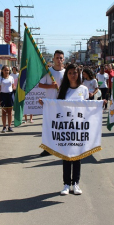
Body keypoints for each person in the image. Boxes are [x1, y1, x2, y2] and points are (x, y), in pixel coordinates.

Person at [56, 64, 89, 195]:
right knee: (66, 156)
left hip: (79, 128)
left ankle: (76, 183)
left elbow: (89, 106)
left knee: (76, 156)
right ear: (67, 75)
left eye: (74, 72)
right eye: (69, 73)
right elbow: (56, 106)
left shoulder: (84, 89)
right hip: (66, 127)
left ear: (78, 74)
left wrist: (100, 103)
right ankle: (66, 184)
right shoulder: (63, 90)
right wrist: (45, 103)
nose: (72, 75)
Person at [38, 50, 65, 157]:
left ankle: (60, 148)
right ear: (53, 59)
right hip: (50, 104)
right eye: (57, 58)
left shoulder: (67, 72)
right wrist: (51, 86)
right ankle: (47, 149)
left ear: (63, 59)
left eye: (61, 58)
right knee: (48, 127)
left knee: (61, 127)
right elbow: (40, 85)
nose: (59, 60)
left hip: (62, 104)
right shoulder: (48, 72)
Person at [0, 65, 15, 133]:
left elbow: (13, 87)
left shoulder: (11, 78)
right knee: (4, 112)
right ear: (2, 71)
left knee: (10, 112)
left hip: (10, 96)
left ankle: (9, 126)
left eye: (7, 70)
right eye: (5, 70)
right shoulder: (0, 79)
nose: (6, 71)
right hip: (3, 96)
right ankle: (4, 127)